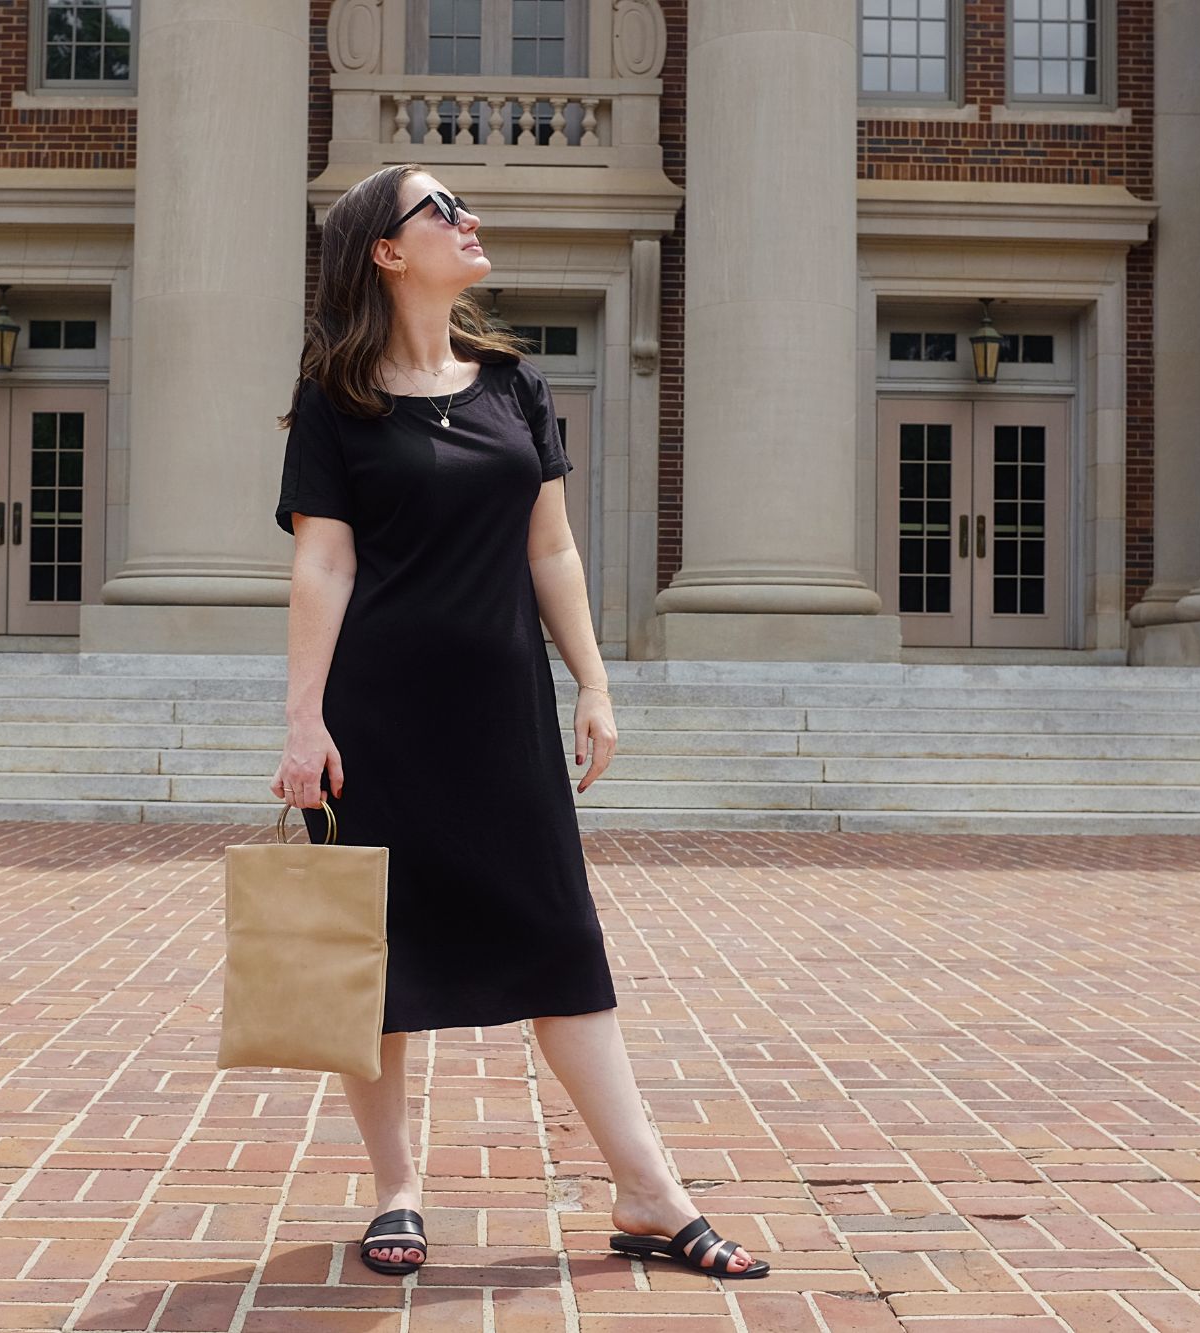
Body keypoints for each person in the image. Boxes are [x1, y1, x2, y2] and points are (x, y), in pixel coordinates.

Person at [268, 163, 769, 1282]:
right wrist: (303, 722)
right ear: (386, 252)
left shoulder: (509, 383)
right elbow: (323, 562)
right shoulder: (332, 401)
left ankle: (648, 1191)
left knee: (558, 941)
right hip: (376, 716)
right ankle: (396, 1187)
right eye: (440, 209)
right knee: (372, 958)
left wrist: (592, 681)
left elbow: (550, 548)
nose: (467, 220)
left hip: (502, 711)